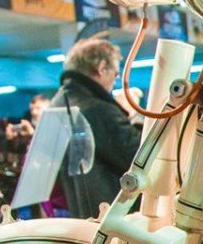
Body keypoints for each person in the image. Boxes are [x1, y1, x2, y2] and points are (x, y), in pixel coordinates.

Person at [49, 38, 141, 219]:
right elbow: (137, 155)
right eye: (115, 73)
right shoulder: (97, 110)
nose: (115, 79)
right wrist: (134, 117)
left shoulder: (58, 104)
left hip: (77, 214)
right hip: (110, 216)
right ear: (101, 68)